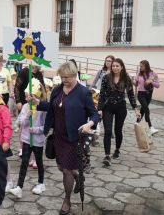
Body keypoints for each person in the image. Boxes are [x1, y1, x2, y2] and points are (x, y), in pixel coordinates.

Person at [38, 62, 99, 214]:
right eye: (62, 77)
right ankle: (78, 177)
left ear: (74, 75)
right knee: (61, 167)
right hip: (59, 135)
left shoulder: (83, 92)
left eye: (67, 77)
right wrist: (38, 103)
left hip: (74, 137)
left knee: (66, 170)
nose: (64, 80)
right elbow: (53, 107)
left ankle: (67, 200)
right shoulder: (58, 89)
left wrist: (89, 124)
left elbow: (95, 114)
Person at [98, 58, 140, 166]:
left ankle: (117, 150)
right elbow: (102, 94)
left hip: (121, 107)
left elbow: (130, 94)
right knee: (107, 131)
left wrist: (135, 108)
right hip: (108, 107)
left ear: (121, 67)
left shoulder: (126, 78)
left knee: (118, 130)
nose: (115, 68)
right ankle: (107, 155)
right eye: (113, 66)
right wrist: (99, 109)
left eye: (117, 66)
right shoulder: (106, 78)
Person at [9, 78, 47, 199]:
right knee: (24, 163)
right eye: (25, 95)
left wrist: (35, 130)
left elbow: (46, 126)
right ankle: (19, 187)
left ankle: (41, 183)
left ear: (35, 96)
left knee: (39, 162)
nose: (26, 98)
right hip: (26, 139)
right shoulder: (25, 107)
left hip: (37, 141)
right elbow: (22, 123)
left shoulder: (42, 109)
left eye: (28, 96)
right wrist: (27, 117)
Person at [133, 60, 160, 134]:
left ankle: (137, 123)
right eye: (140, 66)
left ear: (146, 66)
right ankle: (150, 127)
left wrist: (151, 82)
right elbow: (136, 84)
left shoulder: (153, 74)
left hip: (149, 94)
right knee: (146, 109)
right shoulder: (139, 73)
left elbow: (158, 85)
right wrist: (133, 81)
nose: (140, 67)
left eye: (141, 66)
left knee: (143, 110)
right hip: (141, 94)